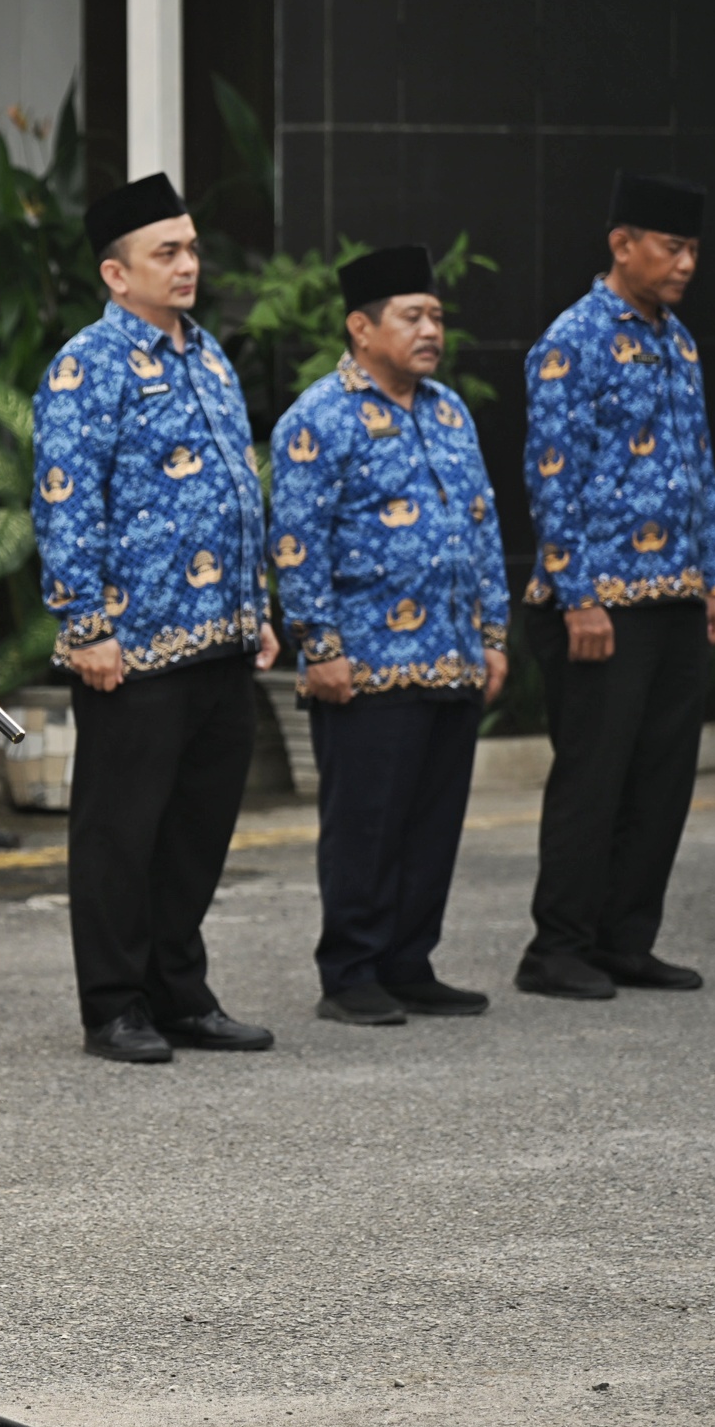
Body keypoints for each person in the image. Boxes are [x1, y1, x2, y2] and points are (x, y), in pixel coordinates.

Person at [31, 172, 278, 1065]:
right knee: (120, 832)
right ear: (114, 273)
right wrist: (85, 624)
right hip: (132, 641)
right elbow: (65, 502)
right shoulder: (85, 366)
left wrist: (256, 607)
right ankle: (115, 1004)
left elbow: (233, 489)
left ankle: (180, 990)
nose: (186, 265)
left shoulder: (205, 352)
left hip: (221, 631)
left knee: (195, 829)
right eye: (164, 252)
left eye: (190, 248)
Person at [269, 245, 509, 1027]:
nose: (430, 329)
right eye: (411, 316)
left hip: (450, 654)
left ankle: (409, 961)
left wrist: (494, 634)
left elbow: (481, 522)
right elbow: (296, 542)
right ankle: (350, 970)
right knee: (364, 824)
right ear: (360, 327)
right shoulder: (317, 417)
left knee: (431, 822)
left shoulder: (447, 410)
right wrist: (320, 645)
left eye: (435, 315)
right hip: (365, 664)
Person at [515, 172, 715, 1000]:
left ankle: (624, 939)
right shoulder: (575, 339)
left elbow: (699, 468)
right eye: (671, 248)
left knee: (661, 778)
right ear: (620, 244)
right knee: (593, 777)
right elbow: (550, 475)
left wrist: (712, 581)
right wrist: (577, 596)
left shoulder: (678, 341)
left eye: (693, 252)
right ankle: (556, 946)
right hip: (599, 603)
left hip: (675, 596)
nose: (684, 265)